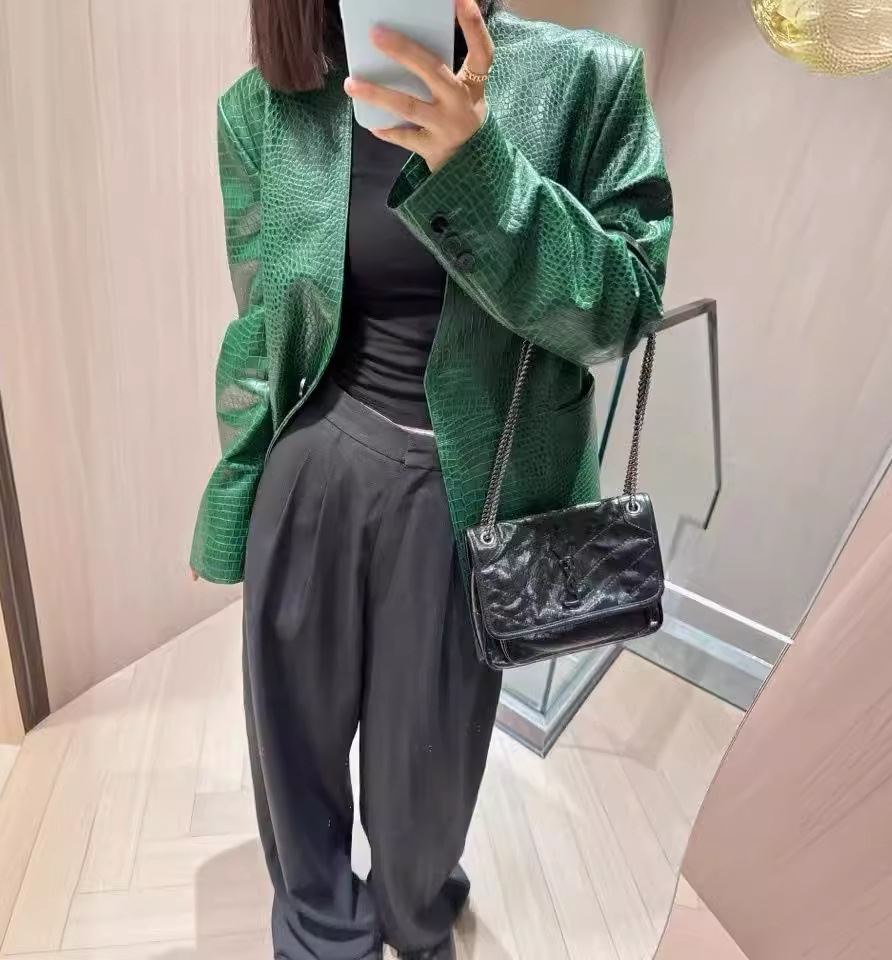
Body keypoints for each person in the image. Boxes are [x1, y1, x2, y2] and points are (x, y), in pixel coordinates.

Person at [190, 0, 672, 956]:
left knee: (429, 770)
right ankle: (320, 931)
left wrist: (479, 167)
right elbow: (261, 329)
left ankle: (414, 918)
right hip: (313, 472)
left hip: (469, 495)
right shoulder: (262, 108)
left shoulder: (588, 81)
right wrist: (236, 501)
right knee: (292, 752)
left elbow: (621, 312)